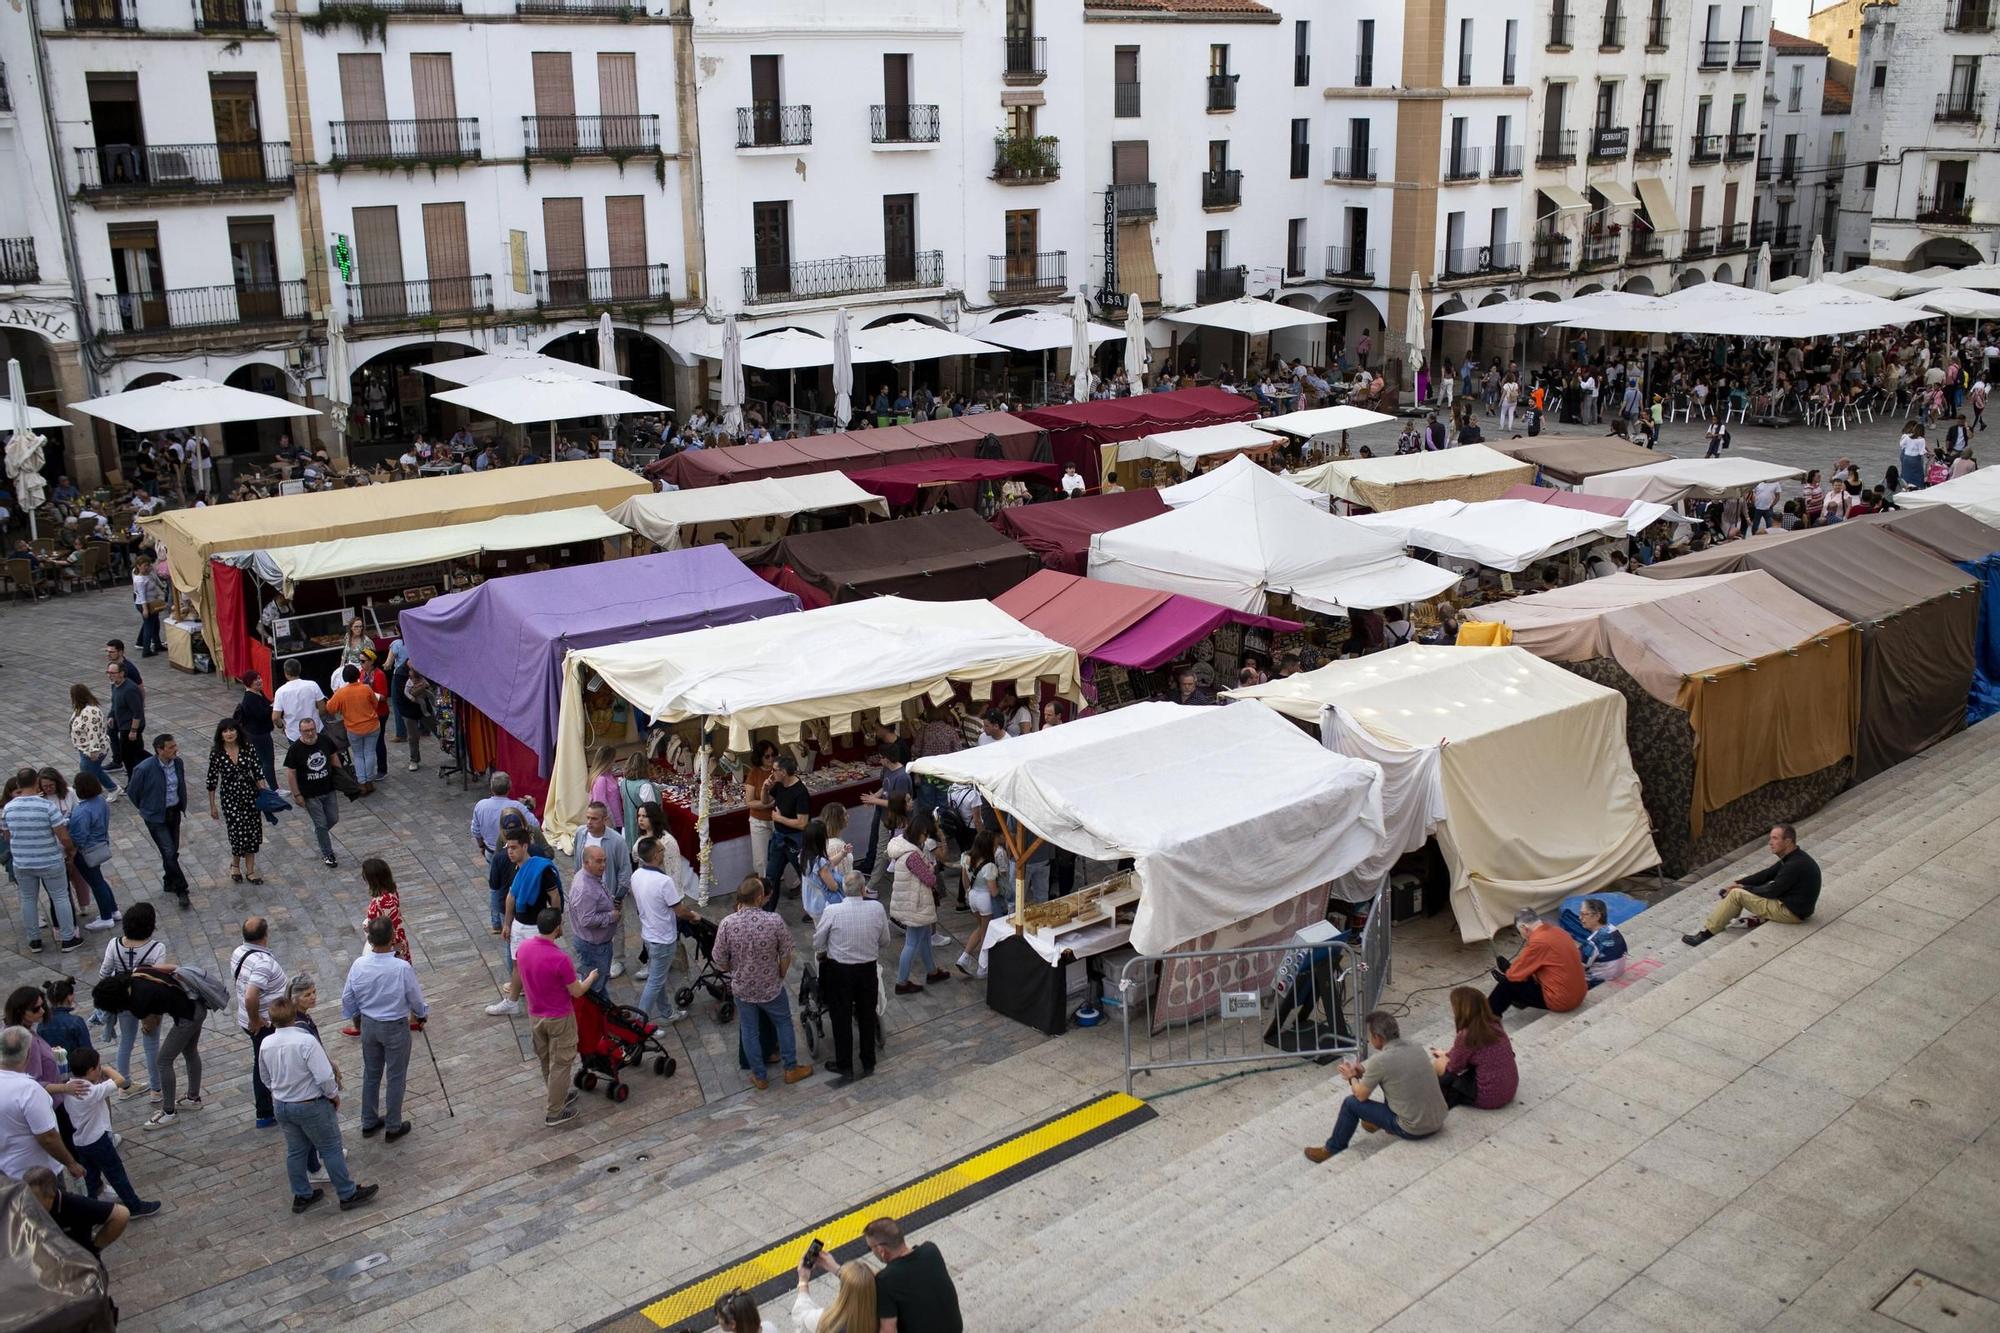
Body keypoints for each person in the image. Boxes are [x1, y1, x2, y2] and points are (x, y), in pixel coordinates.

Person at [258, 998, 379, 1214]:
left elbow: (265, 1077)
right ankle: (347, 1192)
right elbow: (324, 1076)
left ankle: (302, 1194)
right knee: (331, 1148)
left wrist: (280, 1092)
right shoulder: (306, 1042)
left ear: (271, 1019)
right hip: (310, 1104)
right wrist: (333, 1095)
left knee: (295, 1151)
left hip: (283, 1105)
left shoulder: (266, 1044)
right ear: (294, 1016)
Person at [1304, 1010, 1450, 1163]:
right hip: (1437, 1119)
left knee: (1350, 1104)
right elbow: (1389, 1069)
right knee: (1394, 1081)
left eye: (1370, 1035)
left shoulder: (1381, 1061)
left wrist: (1351, 1077)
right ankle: (1377, 1122)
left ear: (1378, 1038)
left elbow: (1360, 1095)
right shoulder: (1416, 1047)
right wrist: (1363, 1070)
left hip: (1414, 1128)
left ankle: (1332, 1148)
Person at [712, 876, 811, 1090]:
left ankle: (759, 1075)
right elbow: (786, 952)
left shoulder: (727, 924)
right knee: (784, 1023)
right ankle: (791, 1068)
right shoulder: (774, 920)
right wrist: (781, 974)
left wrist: (735, 969)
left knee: (749, 1030)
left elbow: (719, 960)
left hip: (743, 987)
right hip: (770, 986)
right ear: (759, 897)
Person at [340, 916, 427, 1142]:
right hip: (395, 1026)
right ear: (392, 938)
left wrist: (356, 1017)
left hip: (369, 1024)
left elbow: (347, 997)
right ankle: (393, 1125)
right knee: (396, 1076)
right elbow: (415, 998)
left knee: (371, 1073)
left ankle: (368, 1121)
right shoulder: (401, 968)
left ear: (369, 939)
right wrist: (422, 1013)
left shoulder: (359, 964)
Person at [89, 960, 203, 1130]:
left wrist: (146, 1025)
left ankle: (169, 1112)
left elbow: (152, 1023)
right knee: (190, 1052)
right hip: (197, 1004)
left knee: (163, 1061)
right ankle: (193, 1098)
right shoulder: (137, 972)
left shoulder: (137, 1003)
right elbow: (171, 967)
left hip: (188, 1017)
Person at [516, 907, 595, 1126]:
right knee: (561, 1063)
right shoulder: (560, 958)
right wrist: (591, 978)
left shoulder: (524, 948)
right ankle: (555, 1111)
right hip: (559, 1017)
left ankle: (557, 1095)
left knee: (546, 1060)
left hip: (535, 1015)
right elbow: (577, 991)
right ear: (558, 927)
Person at [1682, 822, 1821, 946]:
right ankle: (1733, 914)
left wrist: (1742, 888)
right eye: (1770, 838)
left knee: (1737, 894)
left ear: (1788, 841)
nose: (1770, 843)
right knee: (1742, 882)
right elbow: (1767, 874)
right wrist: (1738, 882)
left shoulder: (1794, 865)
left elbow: (1771, 891)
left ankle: (1706, 934)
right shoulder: (1795, 857)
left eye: (1775, 838)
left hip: (1791, 913)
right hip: (1793, 904)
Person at [62, 1043, 159, 1216]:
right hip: (98, 1140)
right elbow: (121, 1080)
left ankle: (91, 1210)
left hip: (81, 1141)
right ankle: (134, 1206)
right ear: (91, 1069)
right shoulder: (91, 1090)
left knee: (91, 1179)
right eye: (97, 1067)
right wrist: (106, 1069)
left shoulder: (69, 1087)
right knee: (116, 1174)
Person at [814, 872, 889, 1085]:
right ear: (864, 890)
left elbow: (818, 941)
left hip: (841, 971)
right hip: (867, 969)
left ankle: (844, 1063)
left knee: (841, 1017)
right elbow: (884, 940)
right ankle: (868, 1060)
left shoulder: (832, 911)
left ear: (843, 890)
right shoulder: (877, 908)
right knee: (866, 1013)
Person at [486, 826, 564, 1016]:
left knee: (539, 969)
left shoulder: (541, 870)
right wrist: (507, 923)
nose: (510, 852)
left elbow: (554, 896)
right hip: (518, 925)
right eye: (508, 848)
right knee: (517, 965)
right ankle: (511, 1002)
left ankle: (547, 1003)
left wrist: (557, 922)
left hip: (536, 927)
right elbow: (511, 896)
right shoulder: (515, 868)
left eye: (514, 847)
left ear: (525, 846)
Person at [5, 767, 79, 953]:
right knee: (60, 896)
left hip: (22, 862)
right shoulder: (47, 807)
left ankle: (34, 940)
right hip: (50, 860)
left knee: (28, 899)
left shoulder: (9, 807)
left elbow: (7, 836)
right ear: (36, 782)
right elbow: (62, 836)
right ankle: (68, 939)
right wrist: (70, 850)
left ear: (19, 784)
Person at [630, 835, 699, 1024]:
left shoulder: (636, 876)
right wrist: (694, 916)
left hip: (648, 934)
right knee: (654, 982)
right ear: (655, 855)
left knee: (656, 977)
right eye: (661, 850)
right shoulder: (664, 882)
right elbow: (680, 911)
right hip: (663, 937)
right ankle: (639, 1023)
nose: (663, 853)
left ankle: (667, 1012)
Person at [230, 916, 289, 1130]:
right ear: (265, 936)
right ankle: (266, 1111)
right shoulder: (264, 963)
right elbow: (250, 995)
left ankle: (267, 1110)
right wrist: (256, 1019)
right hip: (263, 1024)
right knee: (267, 1064)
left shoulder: (239, 952)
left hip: (248, 1020)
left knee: (263, 1061)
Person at [864, 1216, 964, 1333]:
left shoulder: (884, 1281)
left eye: (869, 1248)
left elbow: (888, 1330)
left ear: (881, 1250)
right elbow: (908, 1275)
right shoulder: (930, 1250)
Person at [1428, 986, 1518, 1111]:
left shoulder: (1467, 1035)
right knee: (1444, 1060)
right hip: (1508, 1089)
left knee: (1438, 1064)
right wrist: (1446, 1054)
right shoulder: (1494, 1023)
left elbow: (1454, 1067)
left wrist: (1443, 1059)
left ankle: (1427, 1097)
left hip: (1488, 1097)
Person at [1487, 907, 1587, 1017]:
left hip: (1562, 1000)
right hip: (1580, 993)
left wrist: (1508, 972)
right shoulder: (1559, 931)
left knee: (1506, 985)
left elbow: (1513, 976)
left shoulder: (1538, 942)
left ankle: (1485, 1016)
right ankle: (1518, 998)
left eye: (1520, 932)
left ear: (1524, 928)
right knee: (1524, 972)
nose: (1523, 937)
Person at [888, 810, 948, 995]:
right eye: (925, 834)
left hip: (909, 902)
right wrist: (930, 867)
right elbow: (930, 879)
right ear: (920, 832)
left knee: (923, 939)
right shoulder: (913, 855)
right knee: (912, 942)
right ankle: (902, 982)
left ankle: (932, 971)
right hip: (915, 905)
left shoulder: (901, 846)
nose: (925, 838)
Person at [574, 799, 633, 979]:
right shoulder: (581, 834)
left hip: (610, 892)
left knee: (617, 925)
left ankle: (618, 960)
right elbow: (577, 861)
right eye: (588, 818)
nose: (589, 822)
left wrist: (619, 896)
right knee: (590, 921)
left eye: (594, 819)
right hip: (589, 890)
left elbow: (625, 869)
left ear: (605, 819)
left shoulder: (616, 841)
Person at [208, 718, 269, 885]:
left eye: (232, 730)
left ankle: (250, 870)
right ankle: (235, 864)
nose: (229, 733)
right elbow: (211, 780)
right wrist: (213, 805)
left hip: (250, 795)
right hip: (230, 798)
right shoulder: (217, 753)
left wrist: (263, 794)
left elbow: (258, 772)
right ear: (221, 734)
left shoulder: (247, 748)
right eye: (225, 731)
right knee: (237, 832)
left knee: (252, 831)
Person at [284, 715, 344, 869]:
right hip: (310, 794)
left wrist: (342, 778)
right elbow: (291, 773)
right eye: (306, 731)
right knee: (322, 824)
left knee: (333, 818)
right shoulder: (295, 749)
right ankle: (328, 853)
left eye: (312, 730)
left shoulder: (325, 741)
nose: (310, 734)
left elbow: (333, 757)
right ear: (300, 732)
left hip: (328, 788)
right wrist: (297, 794)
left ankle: (319, 832)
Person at [567, 844, 617, 1001]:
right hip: (594, 946)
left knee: (598, 984)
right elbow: (586, 919)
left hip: (593, 943)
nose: (603, 865)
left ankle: (608, 1013)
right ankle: (598, 1017)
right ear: (586, 862)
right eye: (598, 861)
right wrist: (611, 916)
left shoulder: (588, 876)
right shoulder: (585, 889)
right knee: (595, 986)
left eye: (604, 861)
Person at [325, 664, 384, 794]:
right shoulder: (366, 688)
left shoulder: (341, 692)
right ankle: (369, 781)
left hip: (353, 729)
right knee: (369, 753)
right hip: (372, 726)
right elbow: (375, 703)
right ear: (358, 675)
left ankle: (362, 782)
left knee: (358, 755)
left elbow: (330, 708)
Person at [764, 753, 811, 897]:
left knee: (806, 876)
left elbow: (802, 823)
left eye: (774, 770)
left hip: (794, 841)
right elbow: (765, 801)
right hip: (779, 838)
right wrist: (765, 789)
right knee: (771, 877)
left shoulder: (800, 792)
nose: (772, 773)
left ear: (783, 772)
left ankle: (812, 910)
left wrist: (779, 818)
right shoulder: (779, 785)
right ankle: (768, 912)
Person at [792, 1255, 877, 1333]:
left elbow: (801, 1313)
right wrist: (837, 1270)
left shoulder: (827, 1320)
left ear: (843, 1291)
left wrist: (803, 1280)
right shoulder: (883, 1318)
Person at [955, 830, 998, 978]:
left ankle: (964, 957)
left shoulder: (966, 857)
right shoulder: (990, 865)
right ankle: (982, 967)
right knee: (986, 933)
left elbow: (964, 879)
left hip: (972, 896)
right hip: (985, 899)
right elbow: (993, 892)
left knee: (980, 928)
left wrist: (968, 892)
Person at [470, 771, 538, 865]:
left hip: (491, 851)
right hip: (513, 852)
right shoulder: (517, 807)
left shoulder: (480, 805)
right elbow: (535, 825)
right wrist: (530, 808)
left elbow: (475, 830)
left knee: (495, 877)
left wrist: (481, 845)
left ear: (491, 788)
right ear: (509, 788)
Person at [70, 684, 120, 800]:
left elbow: (93, 732)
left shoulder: (90, 711)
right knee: (96, 770)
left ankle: (84, 795)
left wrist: (94, 750)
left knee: (87, 774)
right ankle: (113, 788)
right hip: (85, 748)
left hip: (91, 750)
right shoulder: (81, 709)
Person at [235, 671, 278, 788]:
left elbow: (267, 704)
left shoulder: (258, 693)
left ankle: (262, 786)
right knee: (267, 762)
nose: (259, 681)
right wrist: (273, 707)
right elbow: (261, 714)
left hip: (261, 732)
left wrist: (272, 704)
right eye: (255, 680)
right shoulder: (250, 698)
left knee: (262, 761)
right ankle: (274, 788)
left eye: (259, 678)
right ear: (248, 683)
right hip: (258, 735)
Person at [271, 658, 326, 746]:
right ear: (300, 670)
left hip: (294, 733)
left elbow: (275, 717)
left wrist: (281, 726)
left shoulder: (280, 692)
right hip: (315, 729)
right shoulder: (313, 685)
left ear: (285, 673)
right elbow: (322, 708)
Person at [1578, 898, 1630, 986]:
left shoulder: (1593, 942)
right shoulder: (1613, 930)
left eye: (1584, 914)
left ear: (1597, 916)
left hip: (1595, 982)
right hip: (1616, 973)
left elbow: (1577, 967)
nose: (1580, 917)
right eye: (1580, 914)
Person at [130, 556, 166, 657]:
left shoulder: (149, 574)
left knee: (155, 624)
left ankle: (157, 644)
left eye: (148, 565)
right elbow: (141, 596)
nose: (147, 567)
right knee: (149, 626)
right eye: (145, 566)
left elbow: (157, 581)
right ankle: (146, 649)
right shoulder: (140, 580)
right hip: (146, 604)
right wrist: (145, 609)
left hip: (153, 603)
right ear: (138, 566)